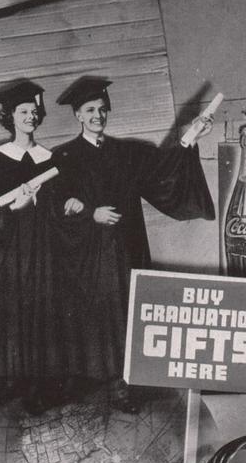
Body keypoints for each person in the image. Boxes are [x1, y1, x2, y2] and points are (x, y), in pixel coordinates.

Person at [50, 76, 216, 404]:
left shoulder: (126, 152)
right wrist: (89, 215)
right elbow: (53, 206)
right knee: (93, 315)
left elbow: (163, 173)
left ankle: (124, 383)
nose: (98, 115)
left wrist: (189, 138)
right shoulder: (63, 157)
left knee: (129, 310)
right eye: (90, 109)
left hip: (128, 248)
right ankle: (93, 383)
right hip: (85, 255)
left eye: (102, 109)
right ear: (78, 116)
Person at [0, 78, 64, 411]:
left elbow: (59, 209)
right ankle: (6, 383)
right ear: (10, 117)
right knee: (10, 312)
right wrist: (13, 206)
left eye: (33, 111)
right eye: (22, 111)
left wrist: (40, 204)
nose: (29, 116)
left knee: (42, 311)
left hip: (41, 251)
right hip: (9, 253)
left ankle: (38, 387)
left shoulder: (48, 159)